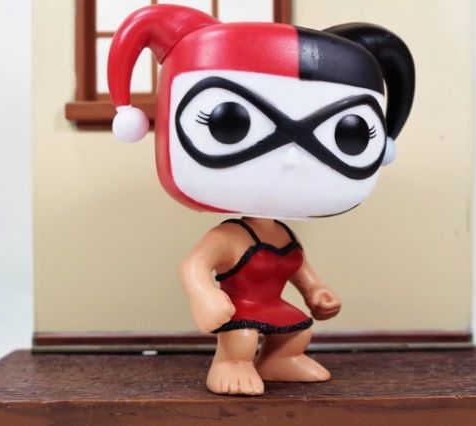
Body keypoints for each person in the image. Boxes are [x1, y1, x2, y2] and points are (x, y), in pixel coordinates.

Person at [107, 4, 415, 395]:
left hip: (273, 305)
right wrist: (205, 296)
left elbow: (301, 270)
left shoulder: (284, 235)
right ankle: (231, 362)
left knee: (299, 329)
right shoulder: (228, 237)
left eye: (348, 133)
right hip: (241, 310)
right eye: (228, 122)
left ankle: (280, 359)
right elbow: (193, 267)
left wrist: (316, 290)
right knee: (242, 336)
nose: (291, 159)